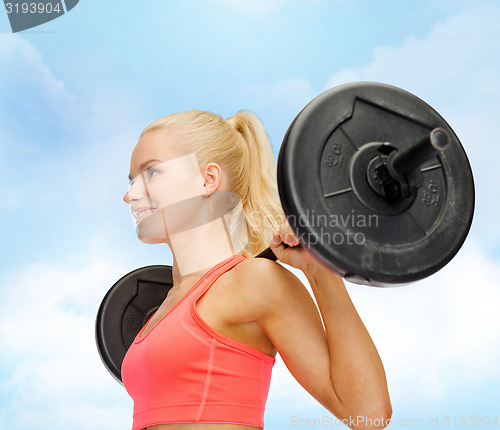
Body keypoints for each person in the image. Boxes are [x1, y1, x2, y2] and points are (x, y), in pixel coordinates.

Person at [121, 110, 392, 430]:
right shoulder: (163, 307)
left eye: (151, 173)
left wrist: (321, 271)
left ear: (207, 179)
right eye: (131, 181)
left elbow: (368, 413)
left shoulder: (254, 282)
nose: (130, 195)